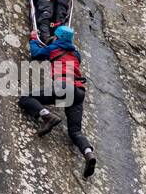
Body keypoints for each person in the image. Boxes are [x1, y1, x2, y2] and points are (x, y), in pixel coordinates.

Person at [20, 25, 97, 178]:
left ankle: (47, 116)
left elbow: (36, 54)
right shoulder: (76, 54)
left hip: (64, 86)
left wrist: (34, 39)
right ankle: (88, 154)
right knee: (75, 132)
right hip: (79, 92)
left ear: (57, 37)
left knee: (26, 98)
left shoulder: (54, 48)